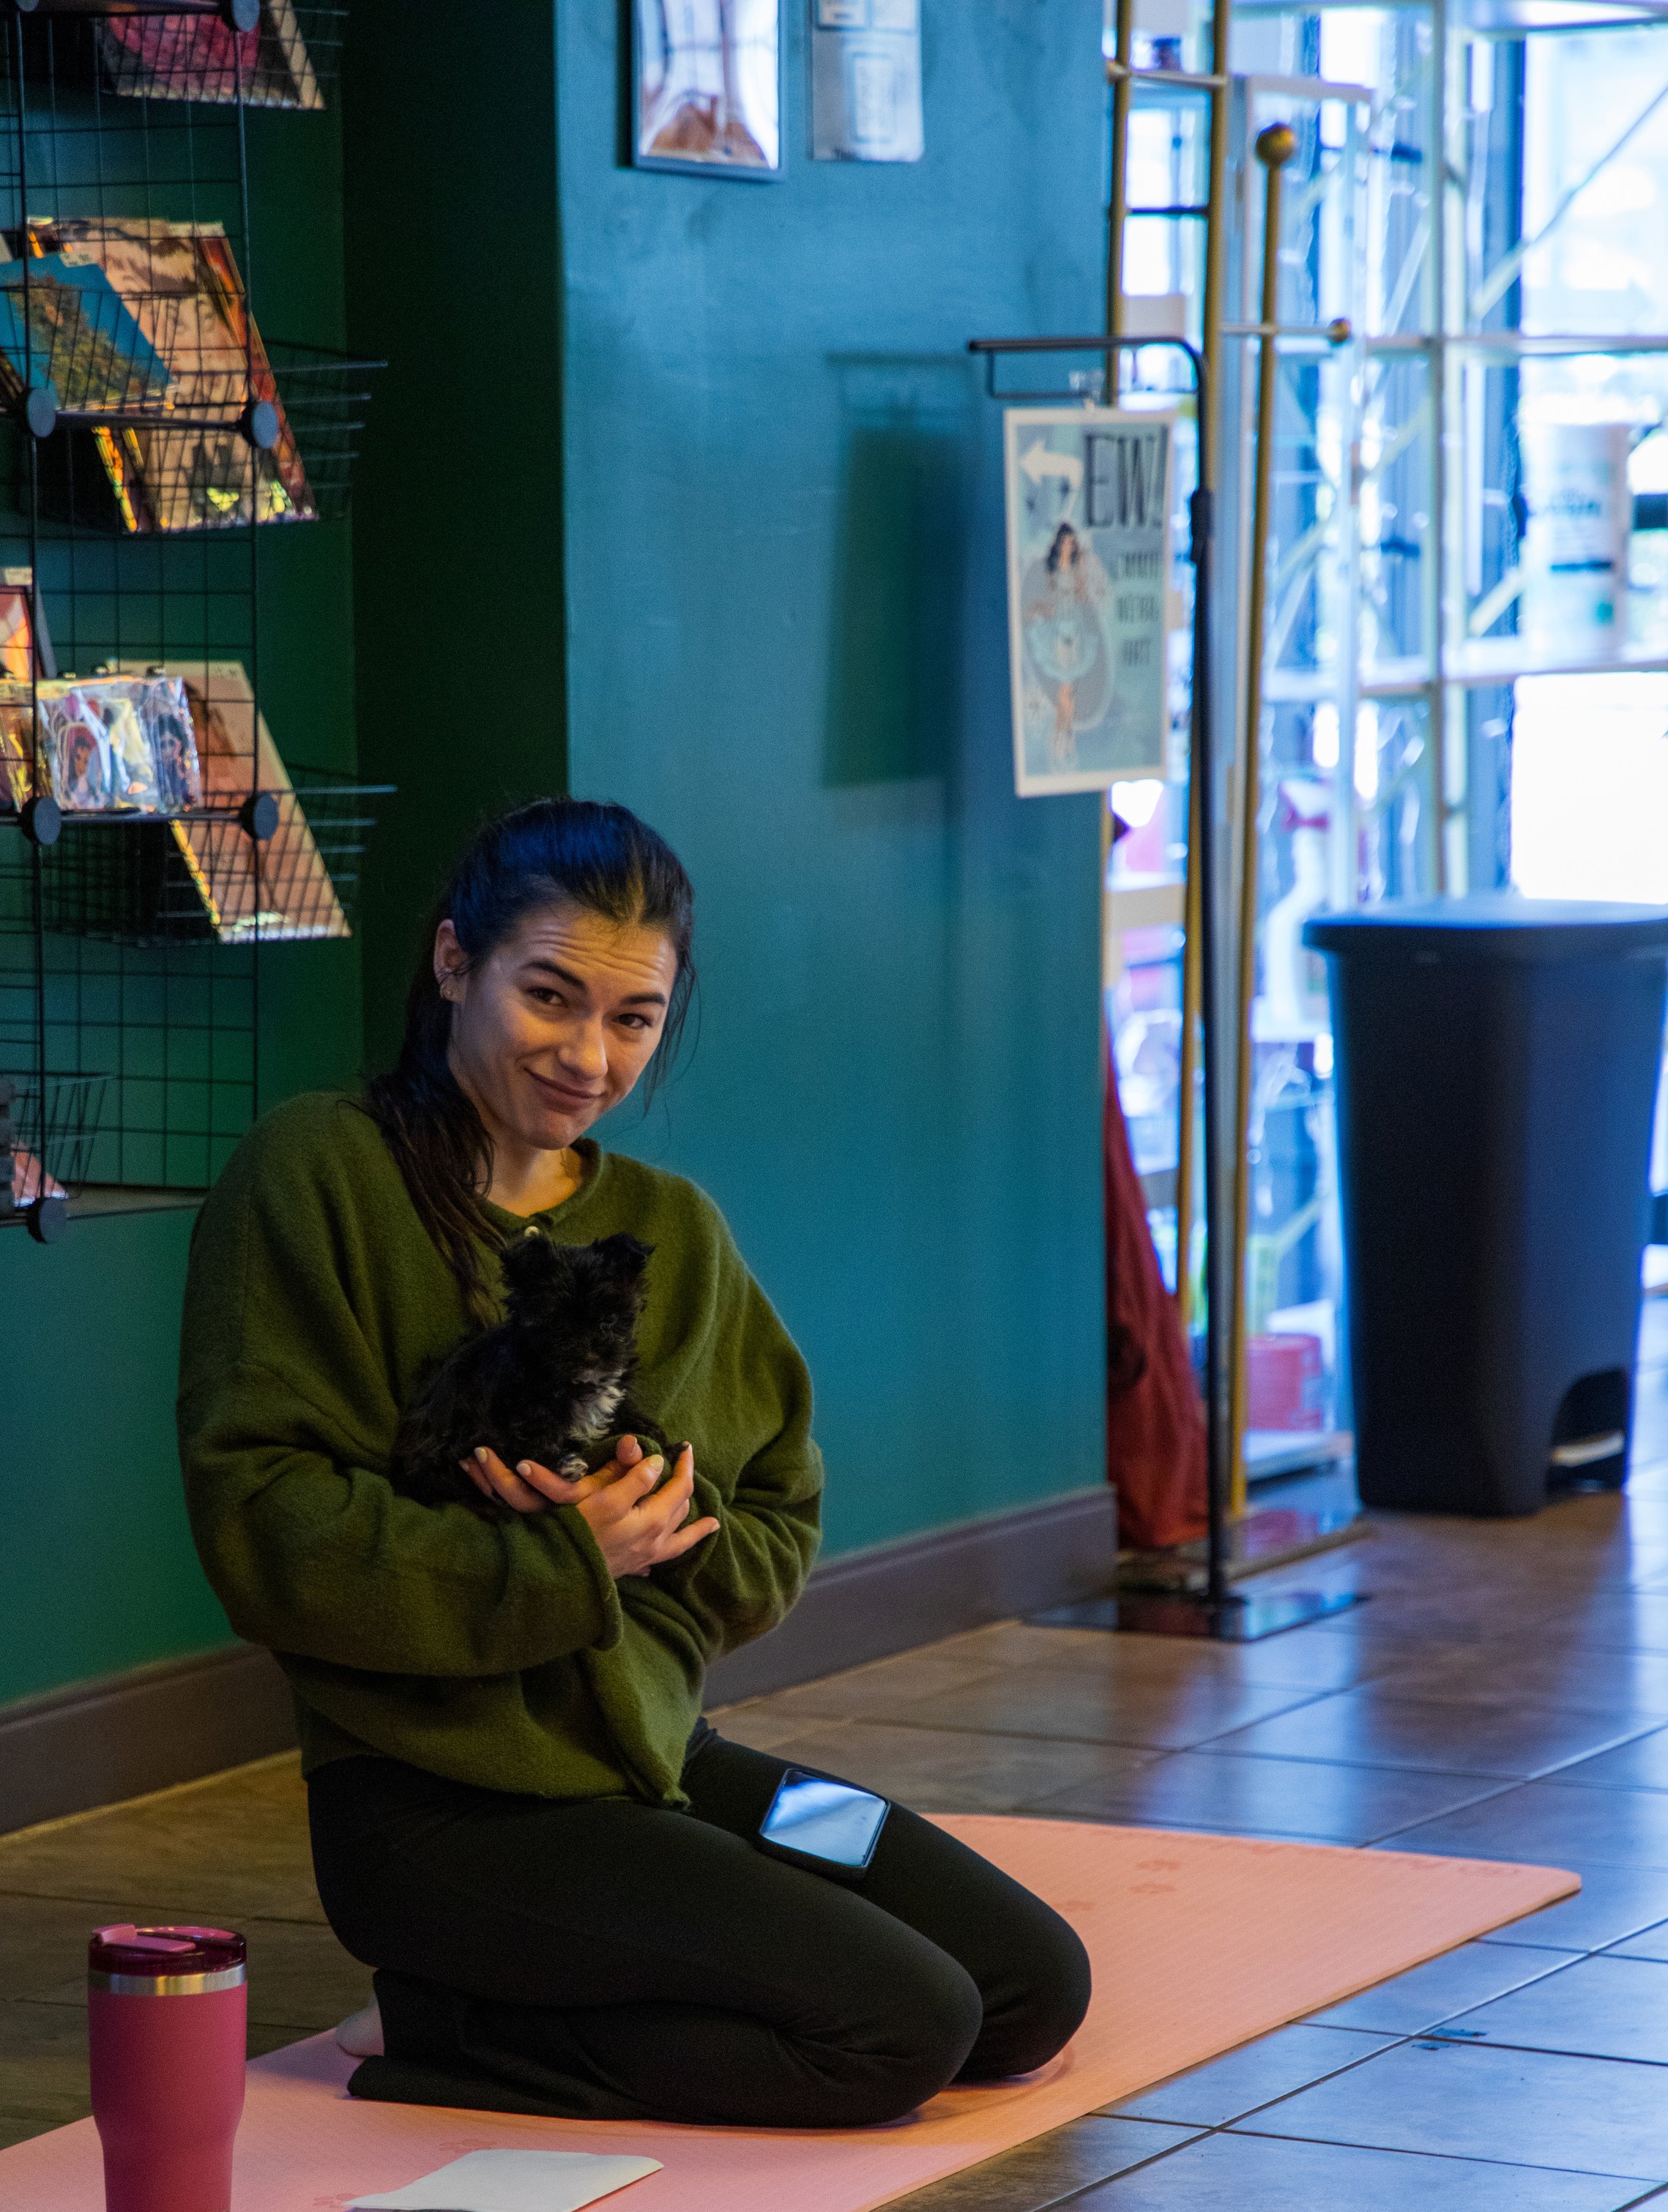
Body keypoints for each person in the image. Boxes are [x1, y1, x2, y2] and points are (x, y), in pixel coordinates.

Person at [178, 798, 1090, 2127]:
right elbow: (267, 1529)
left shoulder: (672, 1230)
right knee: (905, 2027)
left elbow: (776, 1513)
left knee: (1026, 1984)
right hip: (443, 1817)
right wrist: (561, 1555)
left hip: (667, 1770)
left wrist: (667, 1522)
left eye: (633, 1017)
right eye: (549, 996)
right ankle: (448, 2019)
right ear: (452, 964)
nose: (588, 1054)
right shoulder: (316, 1173)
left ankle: (575, 1979)